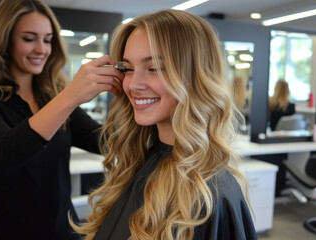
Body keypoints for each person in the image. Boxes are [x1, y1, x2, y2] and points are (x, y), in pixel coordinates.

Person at [72, 9, 257, 240]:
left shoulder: (212, 194)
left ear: (194, 77)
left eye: (154, 68)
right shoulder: (139, 162)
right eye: (128, 69)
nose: (133, 85)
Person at [0, 0, 124, 239]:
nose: (42, 49)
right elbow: (2, 154)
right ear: (4, 40)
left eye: (47, 40)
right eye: (29, 38)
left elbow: (104, 141)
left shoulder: (50, 96)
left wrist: (135, 97)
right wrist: (71, 96)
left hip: (63, 230)